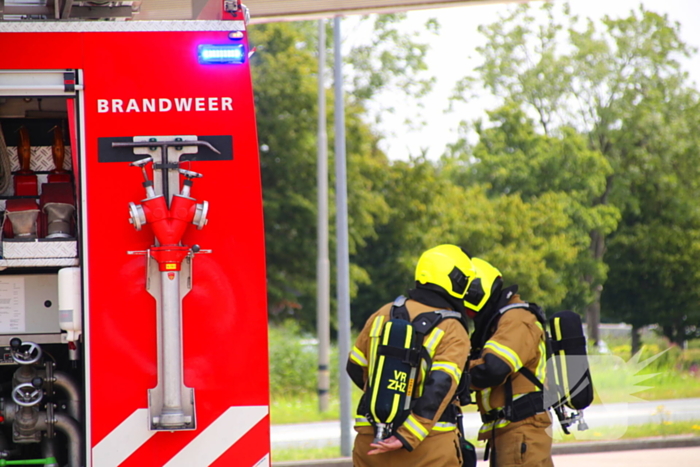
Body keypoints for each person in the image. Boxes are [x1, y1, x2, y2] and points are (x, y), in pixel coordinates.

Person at [346, 244, 476, 467]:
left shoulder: (382, 313)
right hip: (428, 447)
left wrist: (388, 396)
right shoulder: (451, 327)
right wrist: (407, 435)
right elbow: (441, 384)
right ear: (454, 281)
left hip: (371, 443)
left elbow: (355, 367)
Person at [465, 257, 553, 467]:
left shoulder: (517, 319)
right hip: (509, 430)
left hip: (521, 429)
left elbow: (493, 369)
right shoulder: (499, 322)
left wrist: (451, 372)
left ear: (477, 292)